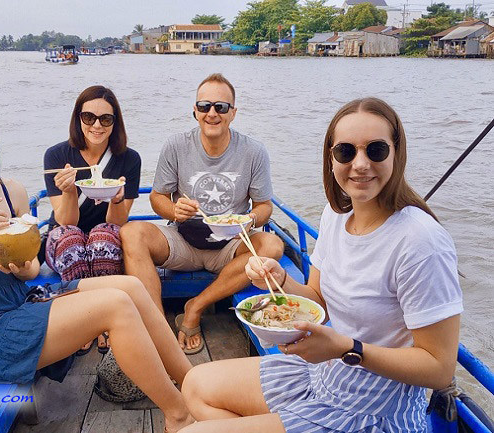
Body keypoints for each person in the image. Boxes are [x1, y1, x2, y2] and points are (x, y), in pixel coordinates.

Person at [0, 99, 194, 432]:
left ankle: (193, 383)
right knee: (115, 306)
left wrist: (24, 268)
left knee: (130, 287)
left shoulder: (9, 190)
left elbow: (29, 269)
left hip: (21, 303)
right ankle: (179, 414)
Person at [178, 97, 463, 432]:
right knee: (195, 385)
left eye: (376, 150)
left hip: (375, 409)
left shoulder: (420, 241)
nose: (359, 163)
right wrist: (280, 278)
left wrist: (348, 347)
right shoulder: (336, 215)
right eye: (345, 151)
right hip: (325, 373)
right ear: (331, 158)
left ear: (396, 154)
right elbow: (318, 300)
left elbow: (439, 367)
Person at [121, 73, 284, 354]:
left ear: (233, 113)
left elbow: (264, 206)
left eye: (221, 107)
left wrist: (249, 219)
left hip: (231, 244)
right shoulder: (176, 145)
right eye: (205, 106)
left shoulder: (254, 151)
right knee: (131, 232)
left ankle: (195, 307)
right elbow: (158, 196)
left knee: (272, 244)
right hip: (183, 239)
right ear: (194, 111)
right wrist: (174, 209)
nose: (212, 113)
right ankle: (158, 328)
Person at [43, 85, 141, 355]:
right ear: (78, 119)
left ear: (115, 123)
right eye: (89, 117)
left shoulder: (129, 159)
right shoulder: (57, 156)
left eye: (106, 119)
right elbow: (65, 222)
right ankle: (81, 321)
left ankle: (102, 319)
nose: (97, 125)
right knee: (70, 239)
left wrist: (118, 199)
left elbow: (117, 223)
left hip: (105, 237)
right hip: (64, 236)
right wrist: (68, 191)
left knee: (103, 236)